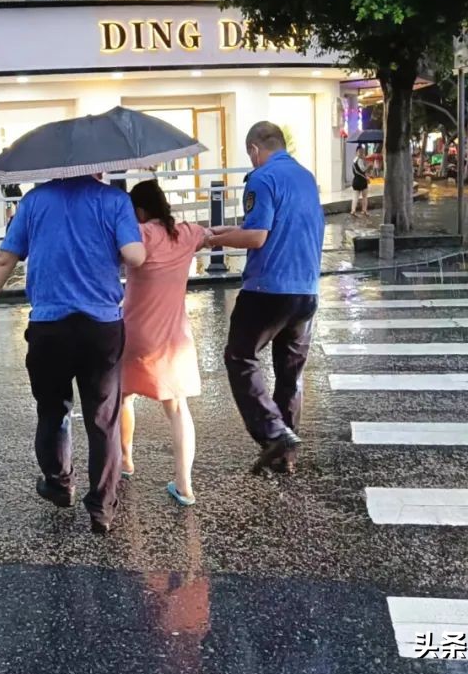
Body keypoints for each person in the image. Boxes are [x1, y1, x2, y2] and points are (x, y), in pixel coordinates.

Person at [0, 175, 145, 534]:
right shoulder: (114, 200)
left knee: (52, 411)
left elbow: (5, 259)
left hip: (49, 328)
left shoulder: (34, 201)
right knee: (103, 419)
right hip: (101, 327)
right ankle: (102, 509)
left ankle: (60, 484)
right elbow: (134, 256)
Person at [209, 121, 325, 475]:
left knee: (239, 356)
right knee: (290, 374)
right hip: (306, 290)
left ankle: (274, 432)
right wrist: (223, 232)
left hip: (268, 289)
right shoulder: (305, 177)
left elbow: (258, 236)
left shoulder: (262, 178)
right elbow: (272, 228)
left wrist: (213, 240)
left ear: (255, 149)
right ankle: (285, 454)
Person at [118, 180, 211, 506]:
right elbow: (210, 234)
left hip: (135, 333)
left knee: (123, 396)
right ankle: (185, 485)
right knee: (178, 408)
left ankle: (126, 460)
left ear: (140, 211)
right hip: (173, 338)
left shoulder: (140, 234)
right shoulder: (185, 233)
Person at [351, 145, 370, 218]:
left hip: (355, 180)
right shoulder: (360, 160)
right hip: (362, 181)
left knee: (355, 197)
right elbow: (363, 169)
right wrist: (368, 165)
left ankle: (353, 210)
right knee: (364, 196)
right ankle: (364, 211)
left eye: (362, 151)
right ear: (356, 152)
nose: (362, 153)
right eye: (360, 151)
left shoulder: (354, 160)